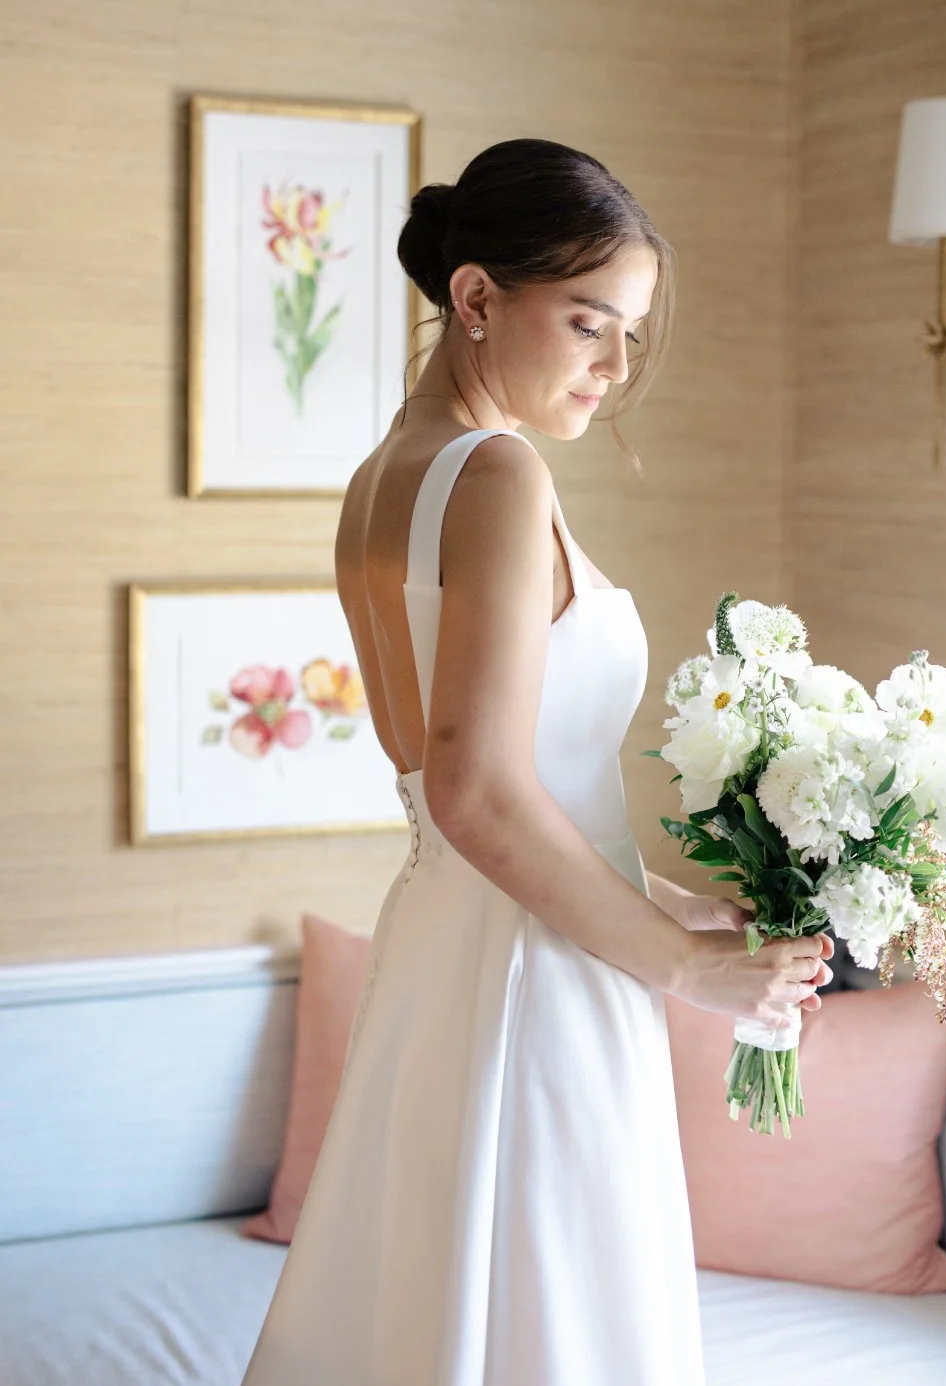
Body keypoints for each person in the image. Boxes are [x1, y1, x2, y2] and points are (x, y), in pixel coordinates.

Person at [240, 138, 832, 1386]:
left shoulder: (379, 479)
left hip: (452, 945)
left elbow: (503, 796)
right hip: (533, 977)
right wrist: (685, 971)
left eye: (627, 334)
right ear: (473, 300)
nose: (613, 369)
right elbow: (474, 789)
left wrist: (691, 906)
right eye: (586, 323)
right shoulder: (496, 475)